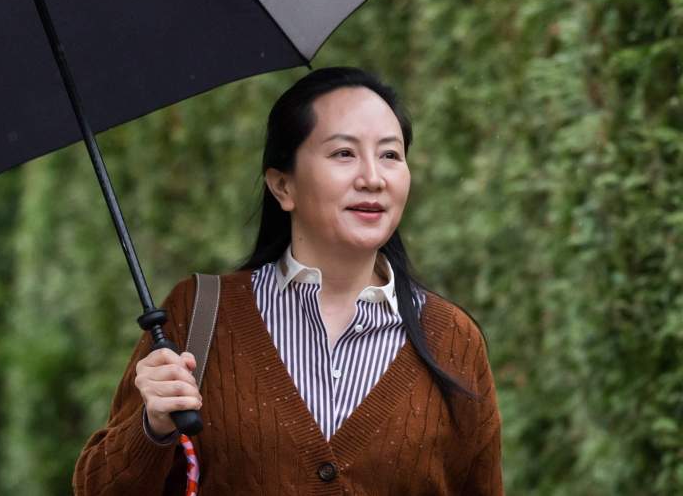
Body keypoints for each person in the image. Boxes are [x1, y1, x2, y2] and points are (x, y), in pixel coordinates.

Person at [73, 67, 503, 495]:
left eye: (390, 155)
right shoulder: (199, 315)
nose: (373, 178)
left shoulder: (452, 340)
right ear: (283, 186)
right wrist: (151, 428)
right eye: (344, 153)